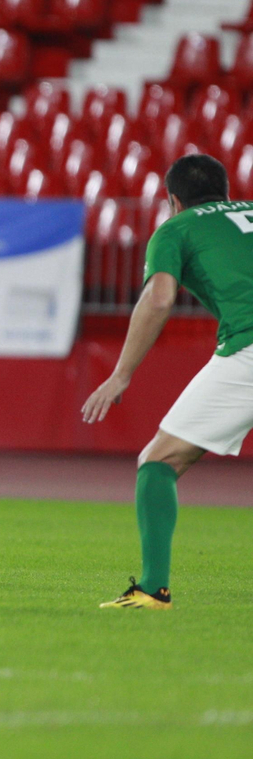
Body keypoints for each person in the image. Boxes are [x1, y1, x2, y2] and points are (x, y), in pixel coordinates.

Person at [83, 154, 253, 610]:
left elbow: (159, 299)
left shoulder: (176, 229)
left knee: (158, 460)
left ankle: (152, 589)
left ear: (174, 200)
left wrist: (121, 374)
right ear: (227, 193)